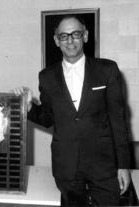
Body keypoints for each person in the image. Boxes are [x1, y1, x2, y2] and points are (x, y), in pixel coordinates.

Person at [13, 15, 131, 206]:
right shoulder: (47, 76)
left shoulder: (107, 70)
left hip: (104, 167)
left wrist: (123, 166)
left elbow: (118, 121)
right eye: (63, 36)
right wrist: (28, 108)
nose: (70, 40)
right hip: (66, 167)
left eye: (75, 34)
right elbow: (49, 118)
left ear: (85, 36)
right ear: (56, 41)